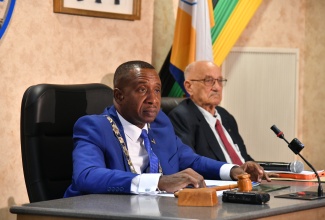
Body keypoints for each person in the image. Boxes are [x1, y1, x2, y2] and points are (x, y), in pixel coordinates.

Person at [64, 60, 269, 198]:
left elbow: (189, 159)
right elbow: (86, 176)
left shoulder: (159, 123)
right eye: (142, 90)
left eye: (157, 90)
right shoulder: (94, 127)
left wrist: (233, 170)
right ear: (119, 96)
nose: (153, 100)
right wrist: (159, 182)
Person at [168, 60, 253, 164]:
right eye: (208, 80)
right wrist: (231, 171)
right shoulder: (181, 117)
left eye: (220, 81)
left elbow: (243, 157)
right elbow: (190, 162)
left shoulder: (225, 116)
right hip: (221, 179)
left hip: (246, 178)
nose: (217, 87)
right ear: (189, 87)